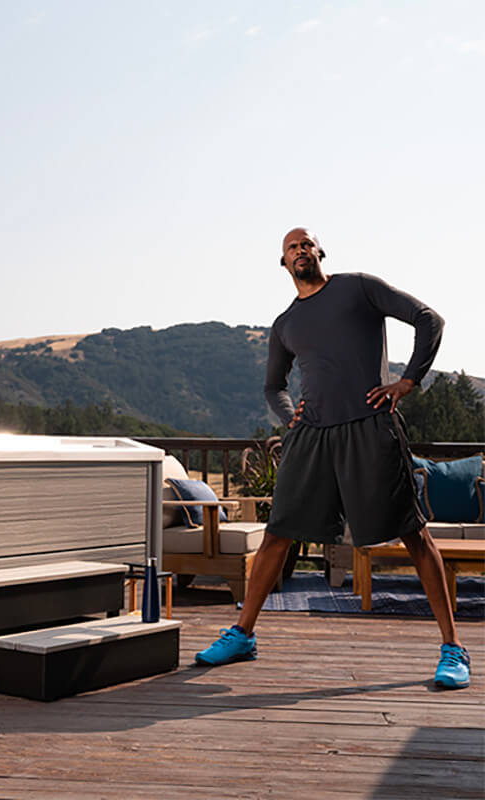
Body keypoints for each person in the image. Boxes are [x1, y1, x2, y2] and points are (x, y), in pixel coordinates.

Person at [195, 227, 471, 689]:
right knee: (278, 535)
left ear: (320, 251)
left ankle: (453, 648)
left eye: (307, 243)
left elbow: (429, 319)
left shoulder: (358, 287)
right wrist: (290, 417)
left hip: (370, 428)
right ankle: (242, 634)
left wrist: (408, 381)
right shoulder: (285, 325)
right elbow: (273, 386)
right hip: (312, 438)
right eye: (292, 247)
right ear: (283, 263)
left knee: (413, 534)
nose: (301, 250)